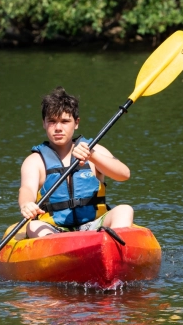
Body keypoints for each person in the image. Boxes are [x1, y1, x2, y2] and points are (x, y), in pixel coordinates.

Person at [18, 87, 134, 238]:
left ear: (76, 123)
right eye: (52, 121)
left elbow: (124, 175)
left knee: (125, 210)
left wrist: (92, 156)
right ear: (44, 123)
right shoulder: (35, 161)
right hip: (54, 229)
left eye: (65, 121)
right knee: (33, 225)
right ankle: (55, 255)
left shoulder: (94, 150)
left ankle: (113, 249)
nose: (58, 128)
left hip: (94, 225)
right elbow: (27, 189)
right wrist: (26, 204)